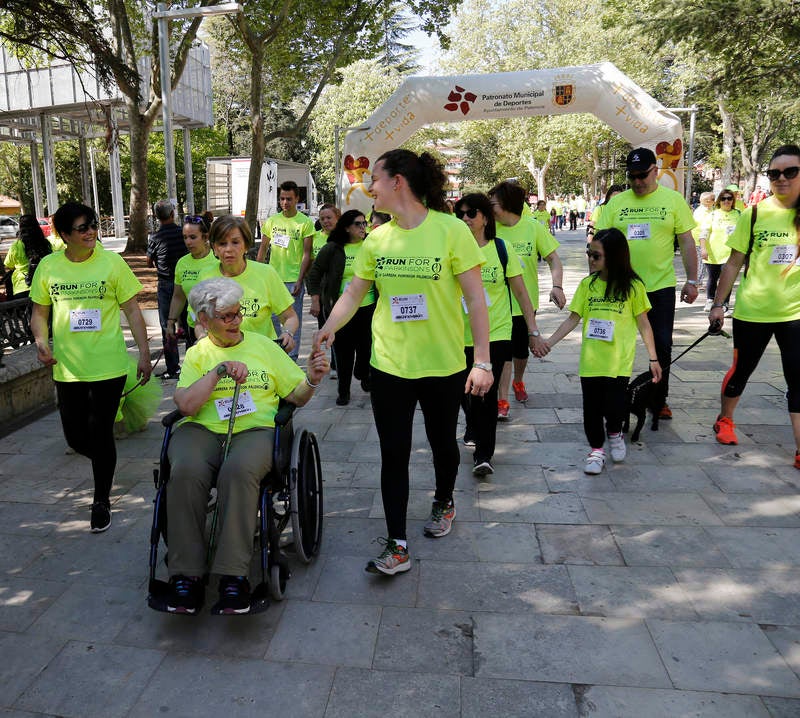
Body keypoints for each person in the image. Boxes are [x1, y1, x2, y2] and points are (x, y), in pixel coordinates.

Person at [315, 149, 492, 576]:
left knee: (441, 444)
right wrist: (329, 327)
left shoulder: (451, 231)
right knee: (392, 454)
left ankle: (444, 500)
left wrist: (483, 361)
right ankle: (397, 544)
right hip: (390, 364)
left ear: (398, 182)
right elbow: (355, 293)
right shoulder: (377, 238)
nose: (367, 186)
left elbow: (475, 299)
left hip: (443, 364)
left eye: (374, 178)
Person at [165, 277, 329, 614]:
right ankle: (186, 575)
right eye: (225, 317)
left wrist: (312, 378)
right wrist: (218, 372)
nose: (235, 321)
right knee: (185, 471)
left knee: (238, 471)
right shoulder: (198, 354)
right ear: (203, 320)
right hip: (203, 429)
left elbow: (295, 396)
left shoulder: (263, 346)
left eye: (237, 314)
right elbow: (185, 406)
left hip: (253, 429)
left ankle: (232, 576)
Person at [29, 201, 152, 532]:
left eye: (94, 225)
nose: (92, 232)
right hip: (67, 368)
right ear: (65, 234)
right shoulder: (49, 267)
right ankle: (105, 460)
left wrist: (143, 352)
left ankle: (101, 500)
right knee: (75, 435)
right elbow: (39, 313)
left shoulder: (112, 263)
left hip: (108, 366)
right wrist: (42, 342)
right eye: (83, 228)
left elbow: (132, 309)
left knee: (100, 430)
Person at [538, 228, 661, 474]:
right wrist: (549, 342)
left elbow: (644, 324)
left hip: (618, 362)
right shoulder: (588, 285)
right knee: (591, 409)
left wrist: (653, 358)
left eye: (596, 256)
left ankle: (615, 433)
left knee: (614, 407)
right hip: (591, 362)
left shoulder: (633, 287)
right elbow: (573, 319)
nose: (590, 260)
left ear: (614, 257)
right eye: (589, 254)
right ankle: (596, 450)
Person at [708, 144, 800, 467]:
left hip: (795, 315)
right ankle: (725, 419)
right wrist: (718, 304)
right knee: (741, 371)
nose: (781, 178)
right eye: (774, 173)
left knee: (797, 379)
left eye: (790, 172)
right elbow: (733, 263)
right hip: (753, 311)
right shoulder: (756, 213)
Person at [595, 147, 698, 420]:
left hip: (659, 288)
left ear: (656, 171)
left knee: (662, 345)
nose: (638, 182)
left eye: (643, 175)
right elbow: (598, 244)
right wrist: (596, 280)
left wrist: (692, 280)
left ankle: (657, 398)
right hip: (621, 287)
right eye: (632, 176)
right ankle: (614, 397)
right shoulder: (616, 204)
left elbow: (687, 242)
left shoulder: (673, 201)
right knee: (612, 343)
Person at [455, 193, 540, 476]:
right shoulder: (452, 249)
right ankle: (472, 424)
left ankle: (483, 454)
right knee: (464, 392)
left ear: (485, 218)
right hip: (459, 333)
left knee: (486, 395)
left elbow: (520, 292)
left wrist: (533, 330)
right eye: (461, 214)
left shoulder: (501, 249)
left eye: (471, 213)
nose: (465, 218)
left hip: (497, 332)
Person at [488, 181, 565, 419]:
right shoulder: (490, 230)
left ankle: (518, 382)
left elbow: (553, 259)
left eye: (493, 204)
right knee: (504, 353)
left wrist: (557, 286)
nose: (489, 209)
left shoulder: (533, 228)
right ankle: (502, 400)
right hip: (498, 305)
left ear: (507, 205)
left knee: (520, 353)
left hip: (525, 304)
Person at [194, 215, 298, 351]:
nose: (229, 249)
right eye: (222, 243)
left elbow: (290, 317)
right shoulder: (205, 277)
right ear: (214, 248)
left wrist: (288, 333)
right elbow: (199, 323)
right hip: (222, 359)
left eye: (235, 242)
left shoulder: (266, 274)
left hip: (261, 356)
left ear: (246, 245)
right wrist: (202, 338)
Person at [307, 210, 375, 405]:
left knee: (367, 350)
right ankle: (343, 391)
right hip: (341, 310)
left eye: (365, 223)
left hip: (368, 308)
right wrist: (315, 299)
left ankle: (362, 373)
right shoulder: (333, 248)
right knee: (344, 354)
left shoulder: (371, 245)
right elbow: (315, 274)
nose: (363, 227)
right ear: (346, 227)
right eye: (358, 224)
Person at [256, 180, 315, 360]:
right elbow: (263, 250)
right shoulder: (272, 221)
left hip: (292, 281)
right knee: (271, 319)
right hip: (273, 279)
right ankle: (275, 355)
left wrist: (299, 280)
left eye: (289, 199)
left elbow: (307, 254)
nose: (285, 203)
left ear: (297, 198)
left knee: (292, 322)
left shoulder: (305, 223)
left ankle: (292, 358)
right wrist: (258, 274)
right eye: (282, 199)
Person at [147, 200, 187, 379]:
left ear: (157, 217)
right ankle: (195, 364)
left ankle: (173, 368)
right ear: (173, 214)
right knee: (190, 324)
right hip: (185, 282)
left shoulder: (155, 237)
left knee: (167, 326)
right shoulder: (184, 234)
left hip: (165, 284)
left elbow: (149, 261)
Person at [165, 214, 219, 349]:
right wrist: (171, 322)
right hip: (193, 326)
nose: (188, 242)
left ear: (205, 237)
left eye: (193, 237)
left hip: (219, 327)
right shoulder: (182, 263)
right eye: (185, 237)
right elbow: (178, 296)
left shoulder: (219, 260)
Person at [698, 190, 740, 311]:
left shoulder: (738, 214)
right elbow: (703, 233)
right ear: (719, 201)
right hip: (714, 253)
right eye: (723, 198)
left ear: (733, 200)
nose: (726, 201)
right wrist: (703, 249)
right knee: (712, 278)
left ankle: (724, 304)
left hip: (730, 254)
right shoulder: (713, 214)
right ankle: (710, 299)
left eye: (729, 198)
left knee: (727, 279)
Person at [3, 214, 54, 299]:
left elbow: (9, 266)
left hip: (21, 289)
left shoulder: (16, 246)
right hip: (43, 288)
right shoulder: (45, 244)